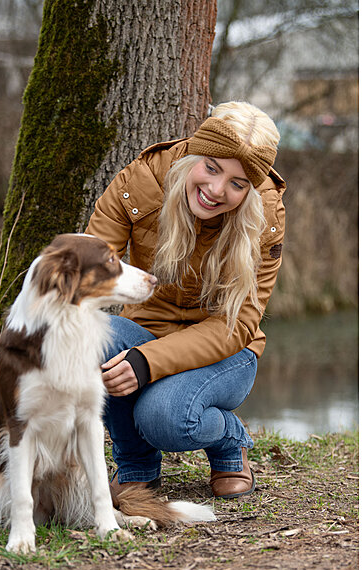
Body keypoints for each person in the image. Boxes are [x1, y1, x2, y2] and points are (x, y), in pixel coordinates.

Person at [84, 101, 286, 501]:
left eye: (237, 183)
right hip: (146, 330)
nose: (216, 190)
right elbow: (89, 270)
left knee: (163, 418)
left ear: (251, 188)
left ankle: (229, 440)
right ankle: (137, 465)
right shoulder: (140, 182)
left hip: (226, 353)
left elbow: (238, 324)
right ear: (195, 152)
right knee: (90, 336)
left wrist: (146, 362)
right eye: (211, 167)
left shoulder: (266, 213)